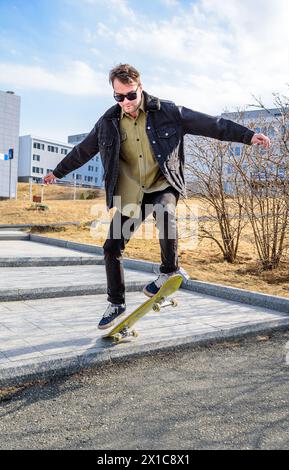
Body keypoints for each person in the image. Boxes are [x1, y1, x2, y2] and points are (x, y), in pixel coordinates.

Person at [44, 63, 271, 329]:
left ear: (140, 88)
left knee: (165, 213)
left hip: (163, 184)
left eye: (131, 95)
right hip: (132, 194)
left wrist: (247, 136)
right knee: (111, 247)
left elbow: (212, 124)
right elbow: (83, 150)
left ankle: (168, 271)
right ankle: (116, 303)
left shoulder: (168, 112)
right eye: (119, 97)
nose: (126, 102)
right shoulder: (107, 122)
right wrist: (57, 172)